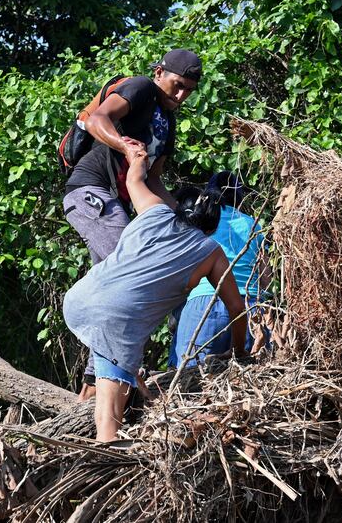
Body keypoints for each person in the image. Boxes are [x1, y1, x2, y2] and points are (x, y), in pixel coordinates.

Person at [63, 150, 248, 442]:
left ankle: (108, 408)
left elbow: (136, 178)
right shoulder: (211, 252)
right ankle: (104, 462)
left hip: (80, 299)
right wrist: (240, 353)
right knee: (110, 423)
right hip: (117, 322)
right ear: (210, 227)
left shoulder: (154, 210)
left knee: (107, 385)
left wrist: (140, 154)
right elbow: (236, 308)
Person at [62, 48, 202, 398]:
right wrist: (124, 147)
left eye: (189, 90)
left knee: (112, 290)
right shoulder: (140, 89)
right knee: (133, 272)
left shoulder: (167, 124)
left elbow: (153, 180)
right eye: (177, 85)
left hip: (117, 204)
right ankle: (124, 373)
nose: (181, 94)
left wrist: (185, 218)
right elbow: (98, 120)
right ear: (159, 73)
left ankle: (93, 387)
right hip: (91, 191)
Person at [169, 172, 271, 368]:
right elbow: (265, 278)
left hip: (204, 303)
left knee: (192, 381)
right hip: (250, 307)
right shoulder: (253, 224)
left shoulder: (202, 220)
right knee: (248, 380)